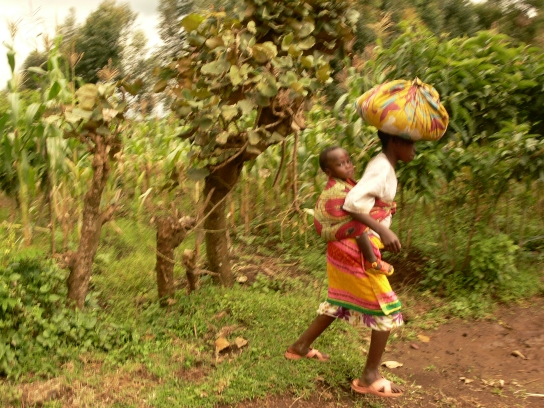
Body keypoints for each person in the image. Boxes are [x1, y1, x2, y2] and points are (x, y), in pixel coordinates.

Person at [284, 78, 449, 399]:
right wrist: (384, 230)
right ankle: (369, 376)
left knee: (339, 301)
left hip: (346, 247)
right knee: (386, 311)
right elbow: (353, 204)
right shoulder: (381, 169)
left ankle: (300, 346)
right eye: (412, 144)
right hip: (354, 248)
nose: (415, 150)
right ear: (396, 142)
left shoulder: (383, 165)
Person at [313, 146, 394, 276]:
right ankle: (372, 260)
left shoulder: (346, 182)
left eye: (348, 161)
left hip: (339, 221)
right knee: (359, 225)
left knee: (368, 214)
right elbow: (350, 209)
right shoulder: (336, 188)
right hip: (332, 226)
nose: (347, 166)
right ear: (329, 172)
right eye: (341, 164)